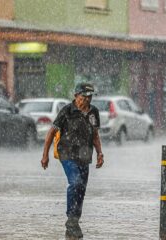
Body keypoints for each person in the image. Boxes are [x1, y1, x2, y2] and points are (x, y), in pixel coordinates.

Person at [41, 82, 104, 239]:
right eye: (84, 96)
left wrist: (100, 153)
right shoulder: (67, 111)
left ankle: (74, 222)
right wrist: (45, 155)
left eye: (90, 97)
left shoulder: (93, 112)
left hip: (85, 155)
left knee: (82, 189)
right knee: (75, 183)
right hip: (67, 154)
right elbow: (51, 132)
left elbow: (95, 134)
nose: (87, 100)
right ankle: (71, 219)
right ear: (76, 96)